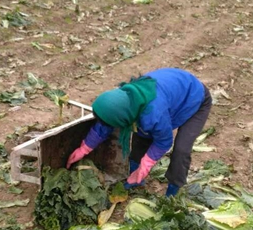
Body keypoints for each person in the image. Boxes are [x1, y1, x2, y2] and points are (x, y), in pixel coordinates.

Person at [66, 68, 212, 196]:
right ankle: (135, 177)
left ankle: (174, 190)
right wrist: (85, 148)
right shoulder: (123, 101)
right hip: (173, 90)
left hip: (196, 98)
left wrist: (146, 165)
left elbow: (164, 141)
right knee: (141, 135)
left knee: (181, 150)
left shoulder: (153, 115)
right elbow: (107, 123)